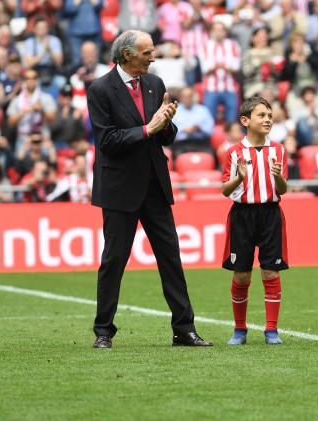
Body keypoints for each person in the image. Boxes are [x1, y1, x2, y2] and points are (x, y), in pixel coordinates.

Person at [87, 30, 212, 349]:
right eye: (147, 52)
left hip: (155, 185)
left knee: (171, 257)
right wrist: (149, 128)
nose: (153, 57)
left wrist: (166, 122)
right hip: (119, 188)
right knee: (114, 260)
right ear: (127, 55)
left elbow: (164, 135)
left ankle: (184, 329)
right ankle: (103, 331)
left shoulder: (155, 84)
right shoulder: (100, 89)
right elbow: (107, 142)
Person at [221, 96, 289, 346]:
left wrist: (279, 177)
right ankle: (240, 329)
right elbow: (225, 190)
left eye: (269, 115)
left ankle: (272, 330)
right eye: (261, 115)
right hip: (243, 216)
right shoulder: (233, 152)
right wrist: (239, 178)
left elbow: (283, 188)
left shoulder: (279, 150)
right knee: (242, 275)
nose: (268, 119)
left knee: (270, 271)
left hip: (271, 214)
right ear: (245, 121)